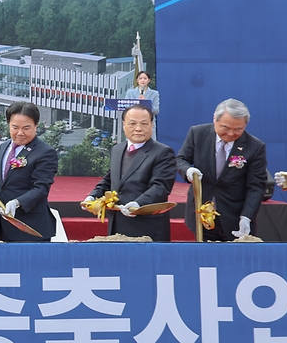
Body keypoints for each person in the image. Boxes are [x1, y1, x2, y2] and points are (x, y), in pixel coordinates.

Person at [177, 98, 267, 241]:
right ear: (215, 119)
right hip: (202, 211)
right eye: (225, 128)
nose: (231, 134)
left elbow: (256, 186)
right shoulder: (197, 133)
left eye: (238, 129)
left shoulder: (254, 147)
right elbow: (181, 159)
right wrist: (188, 171)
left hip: (234, 215)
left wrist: (246, 217)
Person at [82, 104, 177, 241]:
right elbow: (110, 180)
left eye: (144, 124)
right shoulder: (117, 149)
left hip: (146, 226)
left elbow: (160, 187)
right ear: (123, 125)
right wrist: (92, 197)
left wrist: (137, 205)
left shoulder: (162, 152)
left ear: (152, 125)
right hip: (117, 225)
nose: (138, 128)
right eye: (132, 123)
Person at [0, 101, 58, 242]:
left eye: (26, 128)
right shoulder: (5, 146)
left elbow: (41, 188)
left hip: (31, 226)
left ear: (36, 126)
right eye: (15, 127)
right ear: (8, 125)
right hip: (5, 224)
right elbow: (3, 176)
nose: (20, 133)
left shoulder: (45, 152)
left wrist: (17, 203)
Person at [124, 71, 160, 139]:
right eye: (140, 78)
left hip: (147, 124)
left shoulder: (155, 93)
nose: (142, 80)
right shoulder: (130, 92)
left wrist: (146, 102)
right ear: (137, 80)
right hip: (133, 123)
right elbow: (126, 107)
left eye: (145, 78)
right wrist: (137, 103)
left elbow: (156, 111)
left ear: (149, 80)